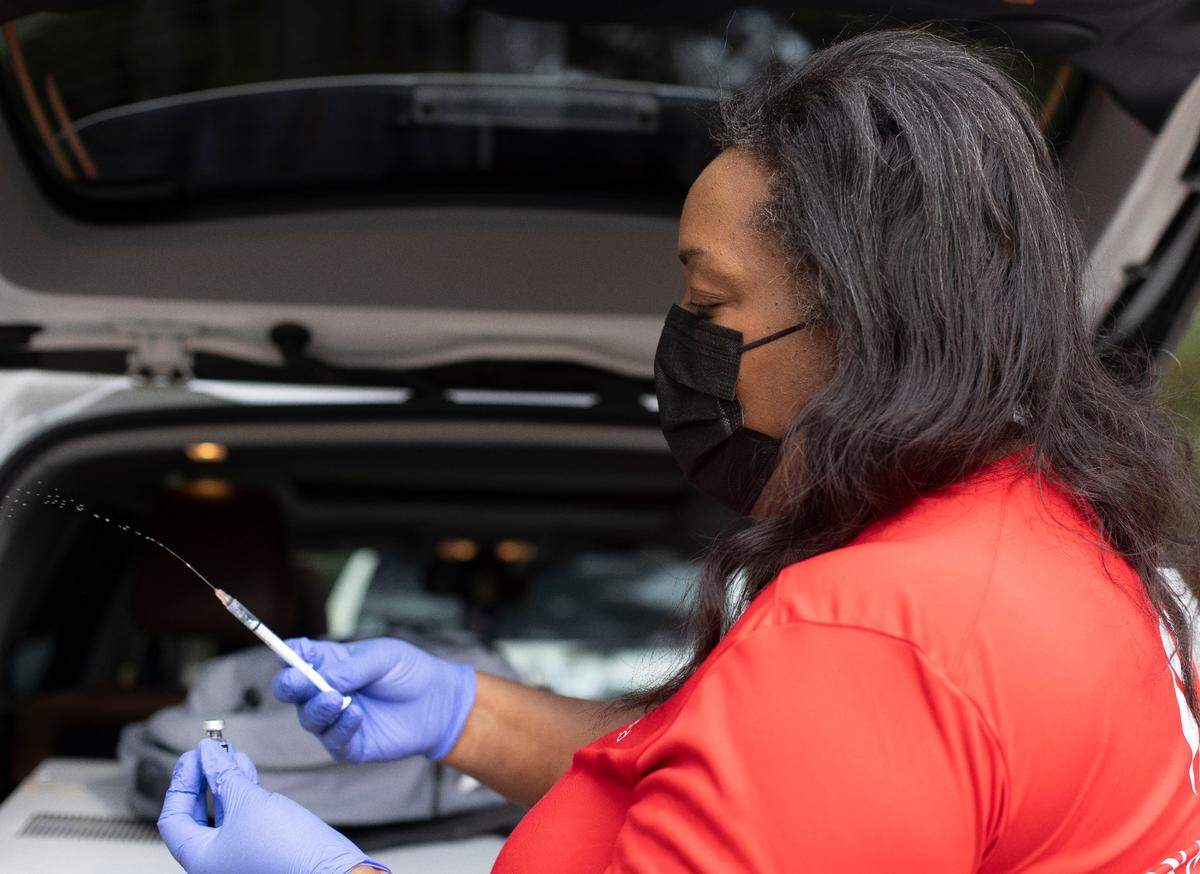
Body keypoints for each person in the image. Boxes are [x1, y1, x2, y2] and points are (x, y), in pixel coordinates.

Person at [158, 28, 1200, 873]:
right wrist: (465, 712)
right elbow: (768, 785)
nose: (683, 344)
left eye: (710, 301)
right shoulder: (1057, 539)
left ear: (863, 324)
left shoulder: (869, 639)